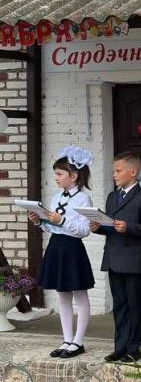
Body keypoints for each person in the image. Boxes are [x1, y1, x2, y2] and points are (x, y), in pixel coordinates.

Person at [29, 147, 95, 358]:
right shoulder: (56, 198)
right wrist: (41, 221)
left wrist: (63, 220)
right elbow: (53, 227)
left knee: (79, 294)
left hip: (72, 249)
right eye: (55, 173)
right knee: (62, 295)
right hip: (56, 246)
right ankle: (67, 339)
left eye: (59, 174)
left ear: (74, 176)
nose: (55, 177)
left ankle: (78, 341)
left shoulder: (83, 200)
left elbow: (84, 230)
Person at [89, 151, 141, 363]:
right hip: (114, 259)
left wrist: (129, 227)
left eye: (118, 171)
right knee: (119, 305)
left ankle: (134, 348)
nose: (114, 175)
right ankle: (119, 346)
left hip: (133, 260)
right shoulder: (112, 197)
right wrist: (98, 227)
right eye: (113, 171)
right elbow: (110, 228)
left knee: (135, 305)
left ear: (133, 172)